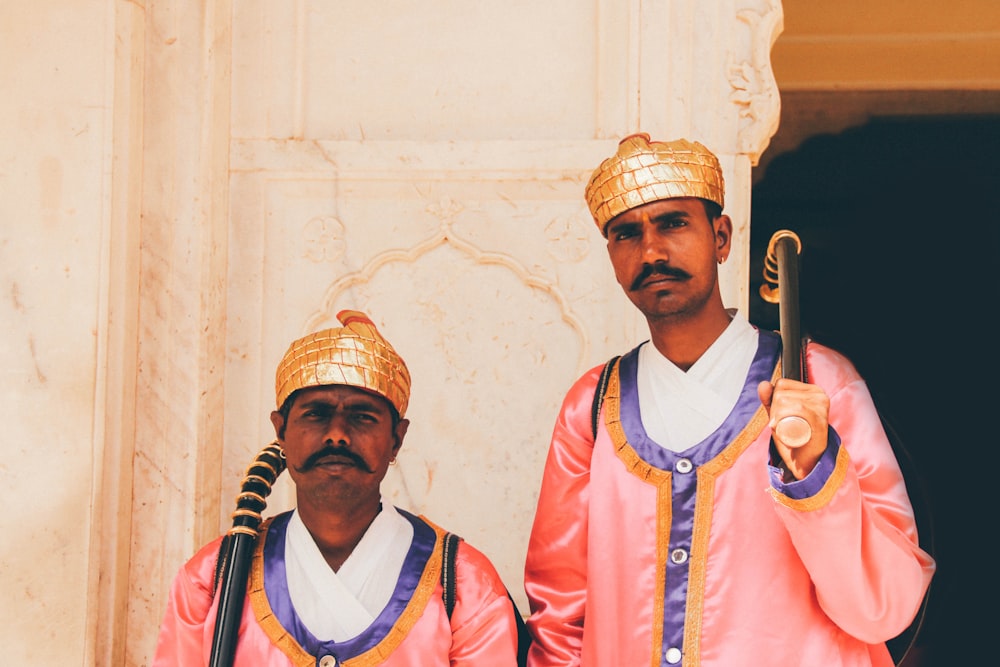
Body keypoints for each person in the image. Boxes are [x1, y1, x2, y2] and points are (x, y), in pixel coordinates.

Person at [522, 134, 936, 666]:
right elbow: (560, 616)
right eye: (628, 234)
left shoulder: (817, 380)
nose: (651, 252)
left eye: (673, 223)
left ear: (721, 237)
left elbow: (887, 607)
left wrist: (815, 475)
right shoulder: (592, 406)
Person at [153, 310, 520, 666]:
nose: (337, 435)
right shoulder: (211, 576)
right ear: (281, 431)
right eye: (316, 414)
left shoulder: (463, 581)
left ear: (396, 439)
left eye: (362, 417)